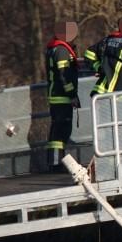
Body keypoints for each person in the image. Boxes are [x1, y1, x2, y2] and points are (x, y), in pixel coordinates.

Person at [44, 20, 80, 172]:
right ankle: (56, 164)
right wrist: (72, 95)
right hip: (61, 96)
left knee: (58, 130)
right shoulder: (61, 51)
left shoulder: (53, 48)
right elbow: (64, 75)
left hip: (56, 94)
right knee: (61, 131)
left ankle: (55, 162)